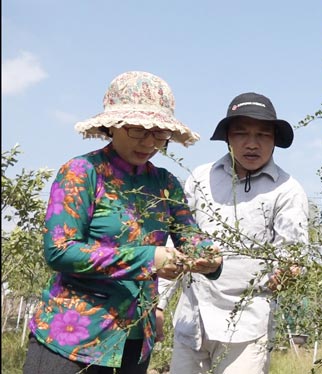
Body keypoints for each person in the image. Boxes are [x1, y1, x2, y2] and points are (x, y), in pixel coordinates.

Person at [23, 71, 223, 374]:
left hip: (134, 341)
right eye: (137, 130)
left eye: (158, 133)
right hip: (72, 339)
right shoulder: (82, 172)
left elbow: (188, 235)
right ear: (112, 126)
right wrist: (148, 258)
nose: (148, 142)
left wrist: (207, 255)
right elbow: (60, 251)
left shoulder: (165, 183)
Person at [157, 92, 309, 373]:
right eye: (241, 133)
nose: (252, 144)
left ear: (275, 139)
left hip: (247, 326)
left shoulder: (287, 191)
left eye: (263, 135)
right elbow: (174, 242)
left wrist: (288, 273)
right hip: (193, 316)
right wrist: (159, 303)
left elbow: (292, 254)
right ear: (227, 137)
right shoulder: (201, 178)